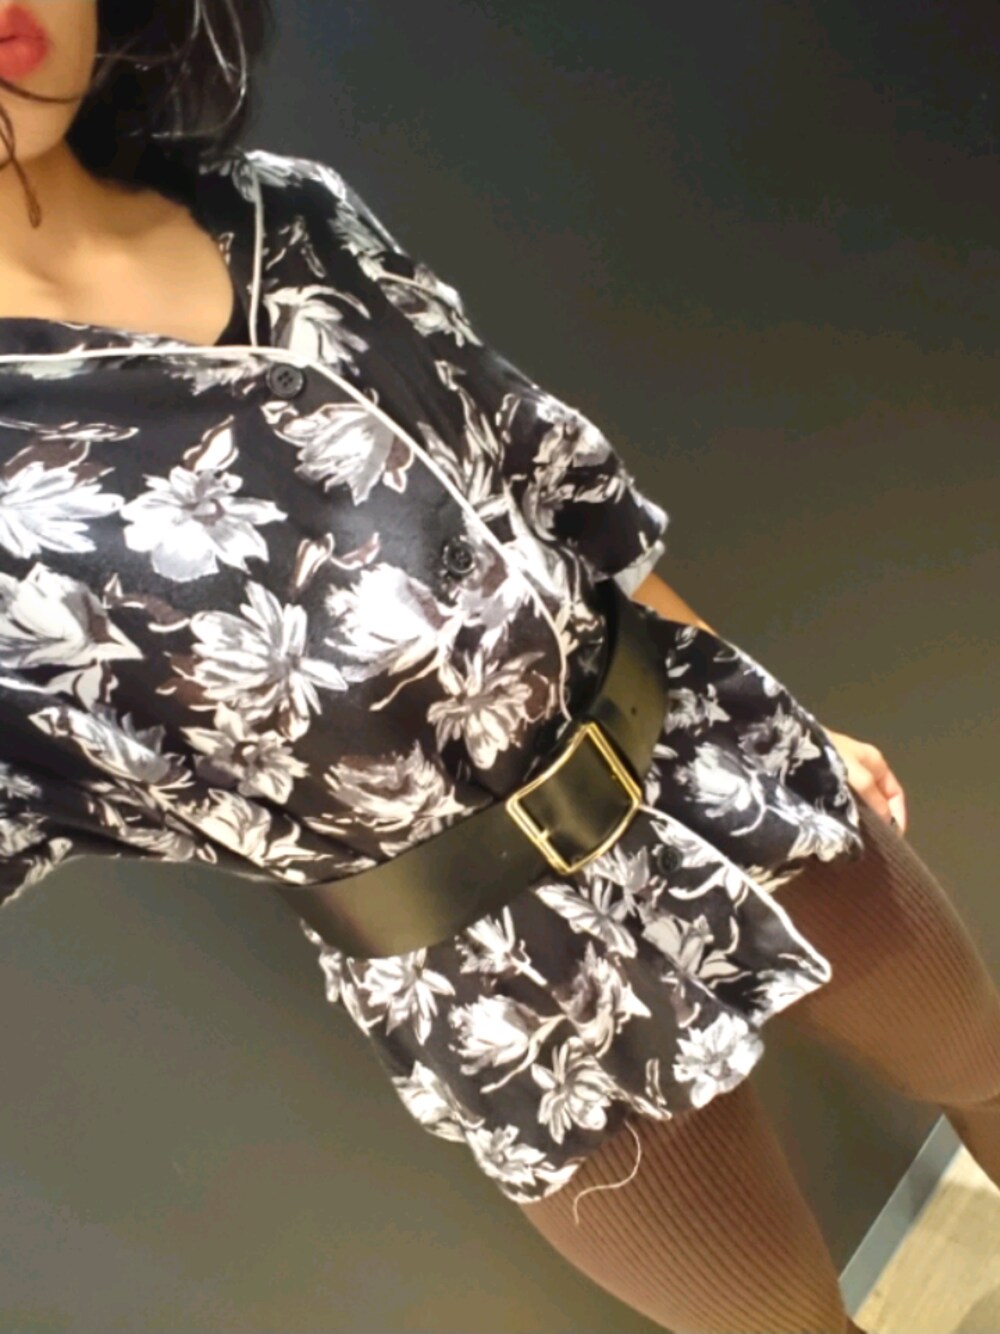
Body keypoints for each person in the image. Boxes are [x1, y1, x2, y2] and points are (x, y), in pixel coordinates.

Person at [1, 4, 998, 1332]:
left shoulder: (288, 213)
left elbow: (560, 493)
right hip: (499, 981)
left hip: (700, 753)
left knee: (983, 1060)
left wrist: (781, 712)